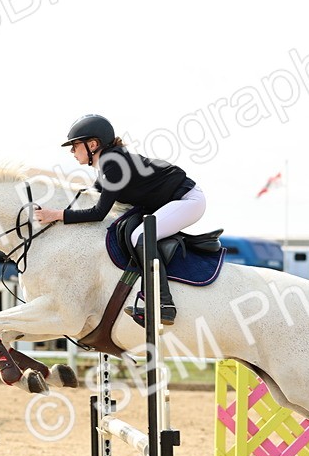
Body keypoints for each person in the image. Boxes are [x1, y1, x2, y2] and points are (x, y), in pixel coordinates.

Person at [33, 114, 206, 325]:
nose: (71, 151)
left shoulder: (112, 163)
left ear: (93, 144)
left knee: (140, 236)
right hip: (171, 201)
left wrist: (56, 215)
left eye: (75, 145)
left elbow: (98, 213)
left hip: (187, 200)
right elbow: (90, 196)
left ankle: (164, 304)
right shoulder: (108, 163)